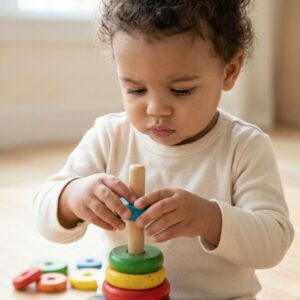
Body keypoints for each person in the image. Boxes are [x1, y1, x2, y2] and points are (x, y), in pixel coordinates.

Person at [34, 1, 294, 299]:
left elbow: (273, 242)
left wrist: (210, 218)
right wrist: (72, 197)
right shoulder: (109, 136)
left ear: (229, 71)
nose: (156, 109)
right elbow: (44, 213)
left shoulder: (245, 147)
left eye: (181, 90)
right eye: (136, 90)